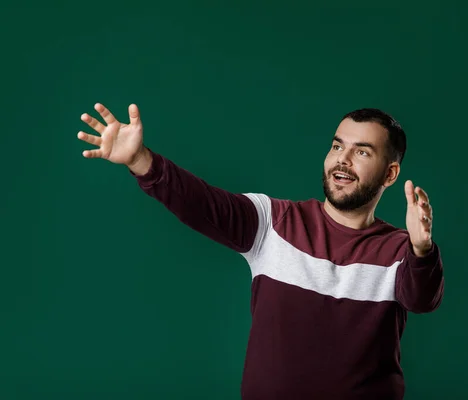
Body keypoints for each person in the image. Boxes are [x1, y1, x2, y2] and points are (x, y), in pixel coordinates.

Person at [77, 103, 444, 400]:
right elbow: (200, 202)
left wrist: (422, 248)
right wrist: (141, 160)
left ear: (390, 173)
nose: (342, 160)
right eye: (337, 146)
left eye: (361, 152)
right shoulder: (273, 221)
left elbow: (422, 298)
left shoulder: (400, 250)